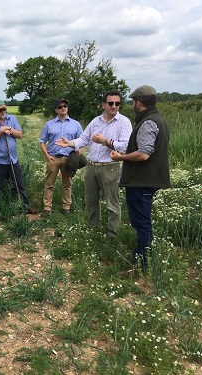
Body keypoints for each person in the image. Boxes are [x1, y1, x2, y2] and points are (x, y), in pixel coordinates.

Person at [56, 90, 132, 237]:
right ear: (103, 105)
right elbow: (84, 139)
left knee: (112, 203)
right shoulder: (96, 121)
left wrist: (105, 141)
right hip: (91, 166)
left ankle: (112, 235)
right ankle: (93, 229)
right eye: (110, 103)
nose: (114, 106)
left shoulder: (124, 122)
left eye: (117, 103)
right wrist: (70, 143)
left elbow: (125, 146)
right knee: (91, 201)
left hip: (109, 167)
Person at [110, 85, 170, 270]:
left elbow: (144, 154)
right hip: (146, 180)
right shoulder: (158, 119)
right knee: (143, 222)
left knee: (142, 223)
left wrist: (121, 157)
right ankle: (141, 255)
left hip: (141, 181)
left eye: (133, 102)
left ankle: (142, 262)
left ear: (138, 103)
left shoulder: (148, 122)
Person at [0, 100, 38, 214]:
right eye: (0, 110)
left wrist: (9, 129)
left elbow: (19, 135)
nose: (3, 111)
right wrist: (0, 131)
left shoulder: (12, 119)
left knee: (18, 186)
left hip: (12, 160)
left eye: (4, 109)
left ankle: (24, 206)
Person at [39, 98, 83, 217]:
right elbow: (42, 141)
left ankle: (66, 208)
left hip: (68, 159)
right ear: (56, 110)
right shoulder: (49, 124)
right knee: (49, 184)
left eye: (65, 106)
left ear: (67, 108)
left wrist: (77, 157)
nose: (63, 108)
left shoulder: (76, 124)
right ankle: (47, 209)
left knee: (67, 184)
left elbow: (82, 141)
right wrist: (47, 156)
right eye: (60, 107)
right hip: (53, 158)